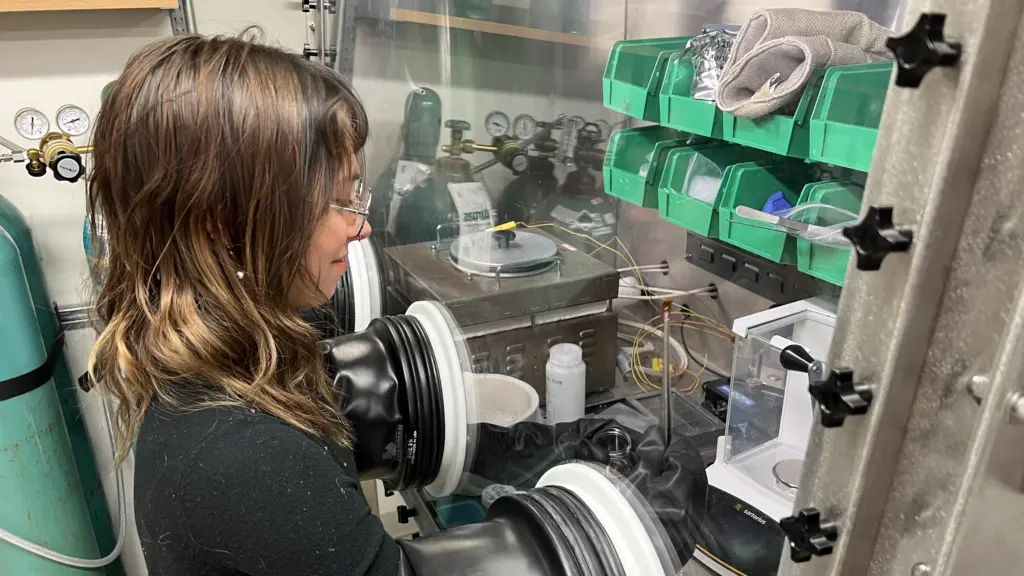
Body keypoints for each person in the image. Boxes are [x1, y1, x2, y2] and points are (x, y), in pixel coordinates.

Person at [87, 33, 395, 575]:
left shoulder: (211, 359)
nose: (361, 226)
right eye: (339, 200)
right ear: (226, 226)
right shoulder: (250, 459)